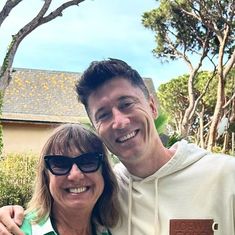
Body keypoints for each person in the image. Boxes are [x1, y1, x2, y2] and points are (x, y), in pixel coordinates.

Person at [0, 58, 235, 235]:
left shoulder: (225, 176)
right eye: (103, 115)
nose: (120, 122)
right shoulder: (108, 191)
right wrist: (9, 217)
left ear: (153, 107)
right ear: (96, 128)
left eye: (127, 103)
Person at [0, 123, 120, 235]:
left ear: (104, 173)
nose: (75, 175)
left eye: (87, 161)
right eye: (60, 163)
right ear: (46, 177)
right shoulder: (13, 230)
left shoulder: (116, 229)